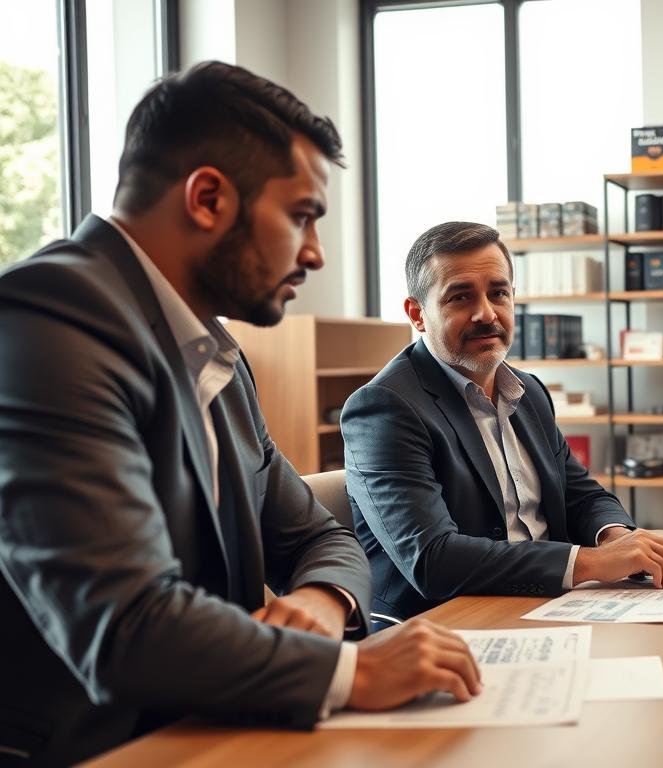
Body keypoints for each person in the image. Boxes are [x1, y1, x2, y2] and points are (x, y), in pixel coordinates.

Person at [0, 62, 482, 766]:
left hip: (222, 725)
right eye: (302, 216)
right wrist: (355, 670)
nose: (315, 253)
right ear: (207, 198)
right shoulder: (47, 321)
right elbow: (125, 627)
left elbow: (321, 536)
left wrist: (322, 604)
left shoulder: (213, 352)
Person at [342, 221, 663, 622]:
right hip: (440, 623)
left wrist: (617, 538)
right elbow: (433, 560)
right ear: (417, 314)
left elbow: (581, 495)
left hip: (546, 604)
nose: (486, 314)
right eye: (460, 297)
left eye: (498, 293)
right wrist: (589, 563)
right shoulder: (384, 408)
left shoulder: (529, 391)